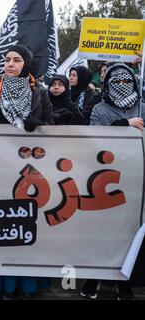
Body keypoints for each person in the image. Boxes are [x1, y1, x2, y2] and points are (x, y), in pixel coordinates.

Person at [0, 44, 53, 299]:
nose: (10, 64)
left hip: (29, 169)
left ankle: (27, 284)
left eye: (16, 60)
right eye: (7, 60)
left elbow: (51, 124)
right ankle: (1, 284)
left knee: (27, 221)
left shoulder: (39, 92)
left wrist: (39, 127)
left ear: (25, 64)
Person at [81, 63, 145, 300]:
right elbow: (94, 137)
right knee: (102, 231)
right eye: (115, 82)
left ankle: (123, 283)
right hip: (104, 178)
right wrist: (124, 126)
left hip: (135, 181)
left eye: (125, 82)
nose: (121, 86)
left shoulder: (143, 108)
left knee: (128, 234)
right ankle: (94, 278)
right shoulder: (99, 109)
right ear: (107, 85)